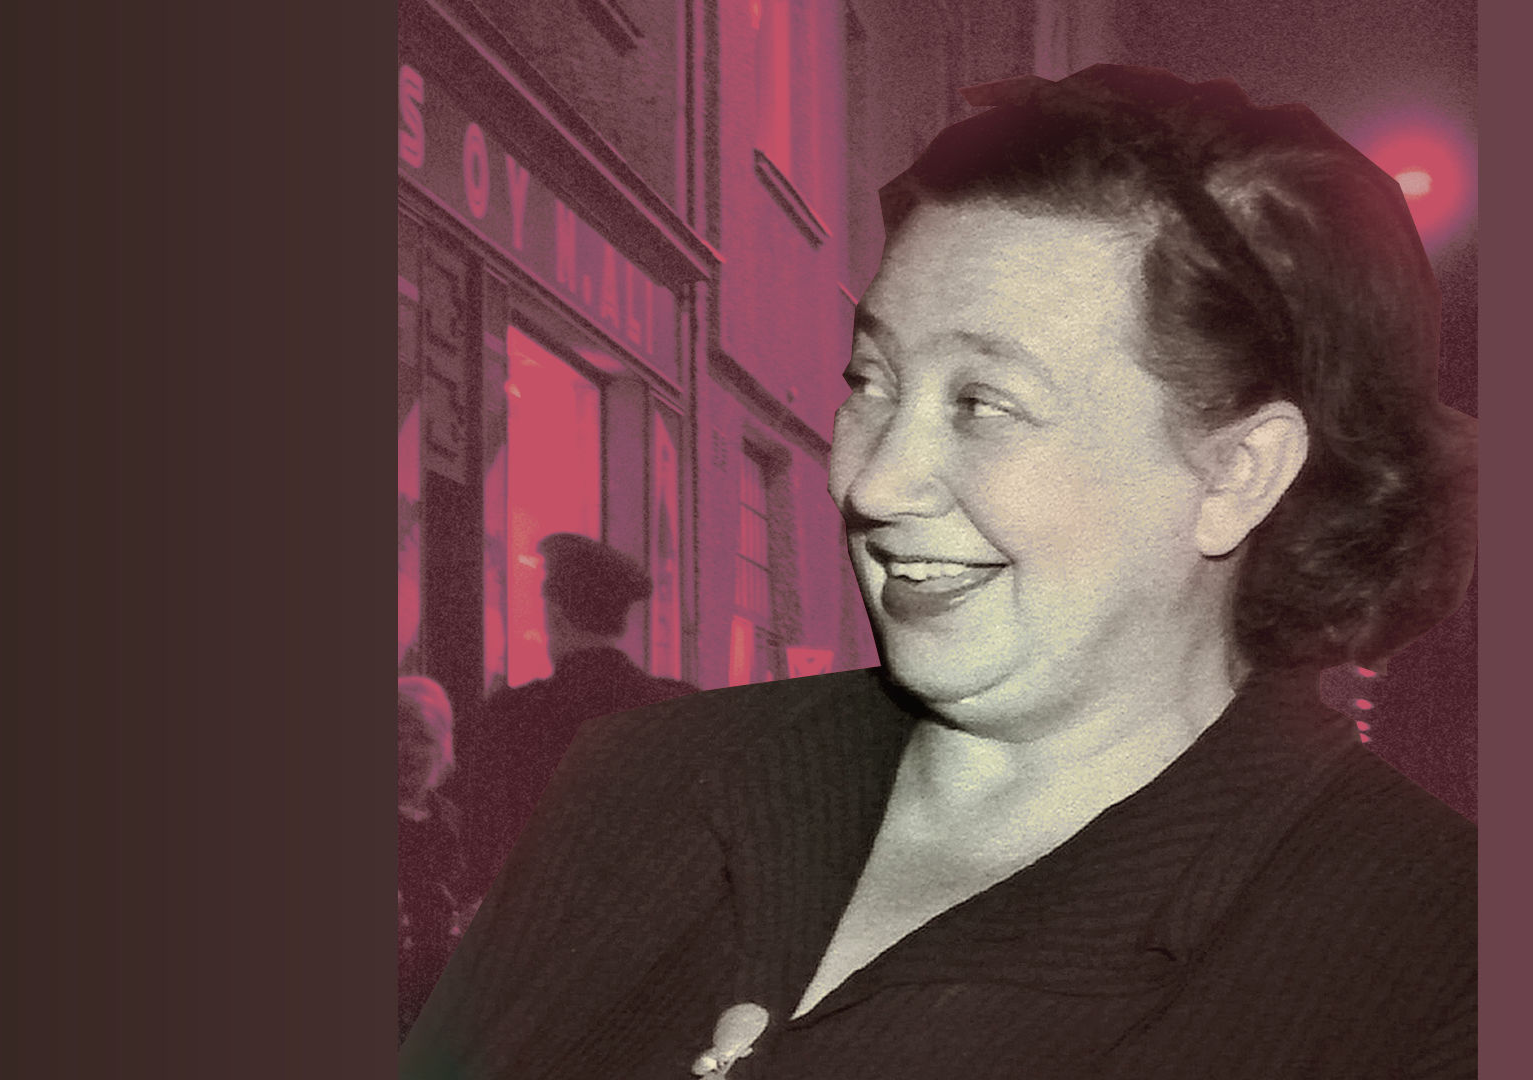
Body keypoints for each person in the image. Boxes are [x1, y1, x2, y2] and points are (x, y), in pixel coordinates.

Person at [403, 64, 1477, 1078]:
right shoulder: (638, 780)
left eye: (982, 404)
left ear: (1237, 474)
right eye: (871, 381)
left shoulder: (1438, 964)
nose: (872, 481)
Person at [452, 533, 698, 898]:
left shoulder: (514, 716)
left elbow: (483, 850)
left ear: (555, 615)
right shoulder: (680, 708)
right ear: (622, 622)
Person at [396, 676, 467, 1043]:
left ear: (441, 747)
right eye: (396, 736)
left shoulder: (450, 818)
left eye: (422, 738)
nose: (407, 750)